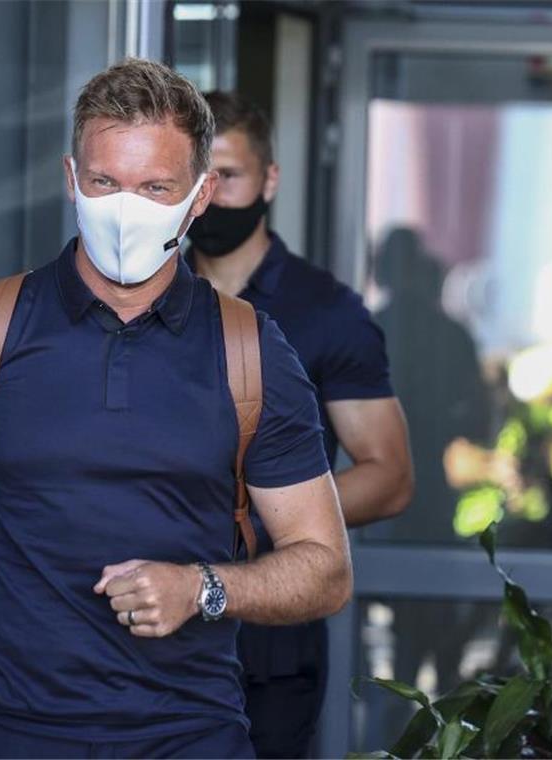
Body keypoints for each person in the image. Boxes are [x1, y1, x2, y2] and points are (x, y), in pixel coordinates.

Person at [0, 58, 353, 759]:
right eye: (105, 182)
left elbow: (325, 567)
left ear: (199, 196)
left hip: (188, 740)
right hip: (1, 735)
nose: (124, 208)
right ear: (71, 179)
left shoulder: (251, 353)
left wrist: (201, 587)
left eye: (155, 187)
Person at [185, 92, 414, 758]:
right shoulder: (148, 292)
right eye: (197, 178)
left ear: (270, 180)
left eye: (228, 175)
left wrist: (264, 516)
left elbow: (390, 478)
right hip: (143, 636)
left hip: (268, 643)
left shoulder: (325, 310)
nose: (212, 194)